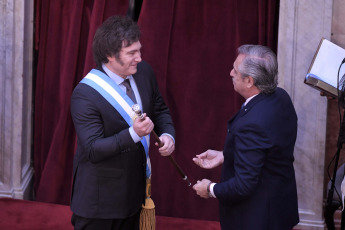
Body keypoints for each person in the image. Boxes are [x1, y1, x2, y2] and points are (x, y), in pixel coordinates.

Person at [70, 15, 175, 230]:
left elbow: (160, 109)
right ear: (109, 55)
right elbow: (93, 149)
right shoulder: (84, 95)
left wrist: (168, 135)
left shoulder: (144, 72)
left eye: (139, 50)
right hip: (100, 204)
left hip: (135, 196)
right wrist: (134, 134)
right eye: (131, 53)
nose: (139, 57)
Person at [193, 44, 299, 230]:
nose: (230, 73)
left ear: (249, 81)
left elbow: (244, 185)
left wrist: (210, 189)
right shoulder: (281, 97)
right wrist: (227, 154)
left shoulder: (251, 124)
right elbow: (269, 148)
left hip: (256, 218)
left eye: (235, 70)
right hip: (279, 208)